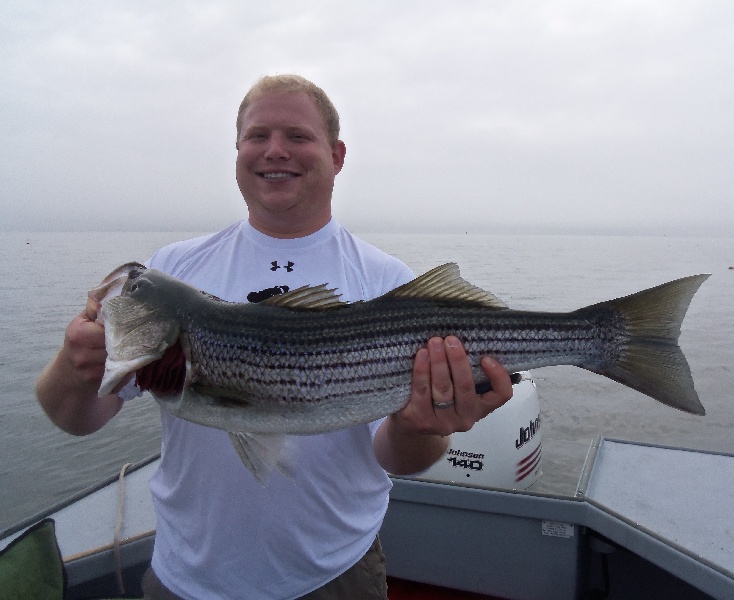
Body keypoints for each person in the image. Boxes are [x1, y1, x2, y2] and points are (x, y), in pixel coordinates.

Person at [35, 74, 514, 600]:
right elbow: (74, 419)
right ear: (237, 150)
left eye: (298, 136)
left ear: (337, 154)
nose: (275, 150)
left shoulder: (388, 281)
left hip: (336, 572)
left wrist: (422, 426)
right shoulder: (174, 269)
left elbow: (400, 459)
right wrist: (75, 363)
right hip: (185, 575)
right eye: (257, 135)